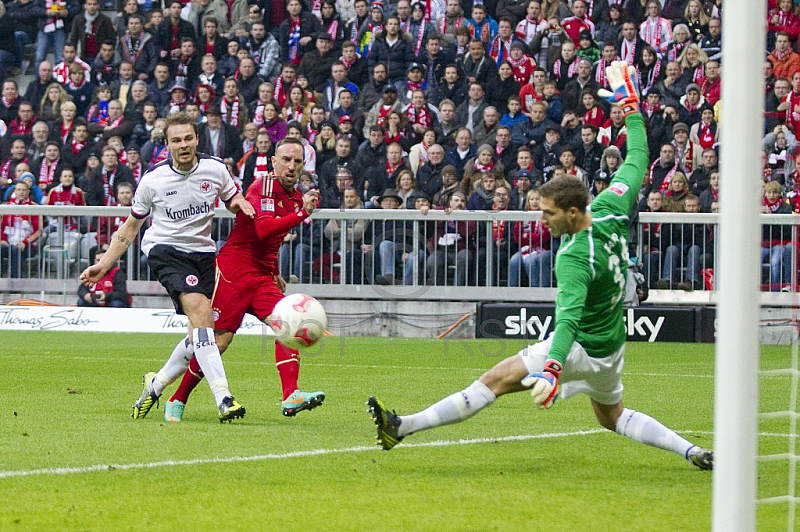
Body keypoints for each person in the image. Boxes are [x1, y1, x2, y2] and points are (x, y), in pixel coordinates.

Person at [367, 61, 714, 472]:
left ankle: (401, 427)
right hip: (611, 343)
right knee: (612, 415)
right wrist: (631, 108)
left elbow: (566, 322)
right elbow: (638, 154)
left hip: (579, 346)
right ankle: (691, 451)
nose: (541, 220)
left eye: (547, 213)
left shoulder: (572, 257)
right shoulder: (613, 204)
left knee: (493, 380)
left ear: (571, 212)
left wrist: (552, 369)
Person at [80, 111, 255, 422]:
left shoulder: (215, 170)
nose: (183, 144)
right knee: (201, 314)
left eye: (188, 138)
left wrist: (237, 202)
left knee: (203, 336)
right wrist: (104, 265)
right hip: (165, 252)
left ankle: (155, 385)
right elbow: (131, 228)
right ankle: (224, 398)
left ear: (197, 139)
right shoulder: (153, 180)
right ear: (167, 144)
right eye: (176, 140)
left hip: (203, 254)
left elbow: (231, 196)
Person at [157, 137, 326, 421]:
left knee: (289, 325)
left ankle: (291, 395)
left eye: (297, 161)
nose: (291, 166)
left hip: (261, 277)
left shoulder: (295, 196)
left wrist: (274, 271)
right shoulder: (263, 186)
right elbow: (263, 229)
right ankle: (177, 398)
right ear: (274, 162)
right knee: (219, 342)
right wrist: (301, 214)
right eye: (285, 160)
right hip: (233, 272)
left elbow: (271, 243)